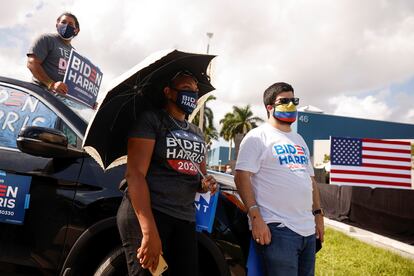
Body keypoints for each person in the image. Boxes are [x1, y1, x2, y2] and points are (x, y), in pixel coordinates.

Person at [117, 70, 218, 276]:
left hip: (184, 218)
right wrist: (148, 231)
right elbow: (135, 175)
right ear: (168, 92)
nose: (193, 94)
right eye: (186, 89)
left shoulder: (196, 132)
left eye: (196, 90)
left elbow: (198, 177)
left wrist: (206, 184)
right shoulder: (151, 120)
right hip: (152, 214)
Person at [234, 82, 324, 276]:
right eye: (284, 101)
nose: (291, 105)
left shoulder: (299, 139)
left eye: (294, 100)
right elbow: (241, 177)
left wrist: (318, 214)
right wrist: (255, 218)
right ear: (269, 107)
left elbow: (311, 181)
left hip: (307, 230)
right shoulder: (257, 137)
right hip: (278, 229)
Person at [27, 12, 80, 95]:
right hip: (40, 95)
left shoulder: (75, 54)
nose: (66, 25)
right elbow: (32, 63)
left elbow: (76, 81)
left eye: (70, 24)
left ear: (76, 30)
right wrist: (51, 84)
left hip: (59, 100)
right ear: (57, 25)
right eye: (63, 22)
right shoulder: (47, 39)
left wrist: (87, 100)